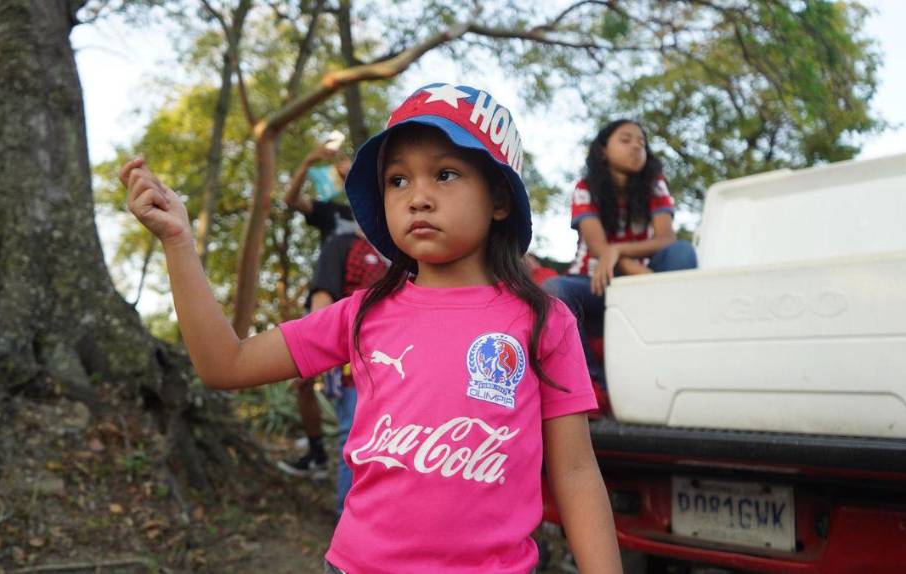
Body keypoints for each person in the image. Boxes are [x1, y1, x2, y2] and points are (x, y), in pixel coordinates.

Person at [120, 83, 622, 574]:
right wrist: (178, 244)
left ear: (499, 198)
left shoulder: (544, 320)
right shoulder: (361, 313)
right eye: (397, 180)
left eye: (445, 174)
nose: (417, 197)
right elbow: (225, 364)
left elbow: (575, 472)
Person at [544, 119, 697, 384]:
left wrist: (617, 250)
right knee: (553, 289)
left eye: (642, 143)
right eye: (626, 140)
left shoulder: (655, 185)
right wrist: (639, 273)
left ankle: (676, 354)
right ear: (603, 150)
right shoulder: (585, 188)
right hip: (596, 283)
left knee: (682, 252)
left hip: (641, 283)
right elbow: (599, 250)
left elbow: (666, 238)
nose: (636, 147)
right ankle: (593, 382)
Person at [278, 143, 358, 478]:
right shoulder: (333, 213)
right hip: (326, 301)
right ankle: (316, 452)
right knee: (303, 379)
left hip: (362, 310)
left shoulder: (384, 215)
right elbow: (291, 199)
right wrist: (309, 161)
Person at [307, 229, 388, 516]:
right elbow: (322, 300)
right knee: (355, 437)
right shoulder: (343, 244)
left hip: (394, 367)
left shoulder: (399, 252)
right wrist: (318, 352)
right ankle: (347, 516)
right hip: (353, 366)